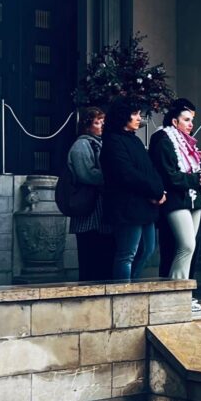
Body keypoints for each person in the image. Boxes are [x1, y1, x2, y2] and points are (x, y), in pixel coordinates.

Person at [149, 98, 201, 312]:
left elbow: (192, 171)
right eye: (186, 120)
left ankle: (182, 293)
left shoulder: (187, 141)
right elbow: (170, 175)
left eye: (192, 120)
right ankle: (174, 295)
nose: (191, 124)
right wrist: (196, 179)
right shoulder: (162, 138)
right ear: (174, 121)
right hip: (175, 200)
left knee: (188, 248)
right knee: (186, 246)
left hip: (193, 198)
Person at [100, 99, 166, 281]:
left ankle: (132, 287)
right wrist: (154, 191)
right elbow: (126, 173)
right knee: (127, 253)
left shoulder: (134, 140)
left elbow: (149, 169)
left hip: (145, 204)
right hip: (127, 206)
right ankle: (122, 294)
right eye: (135, 114)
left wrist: (160, 191)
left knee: (147, 249)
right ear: (123, 116)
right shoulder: (113, 141)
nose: (139, 118)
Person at [67, 106, 114, 282]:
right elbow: (86, 173)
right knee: (89, 258)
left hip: (101, 211)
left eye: (103, 122)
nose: (101, 126)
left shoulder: (101, 143)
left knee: (104, 259)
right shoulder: (82, 145)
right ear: (87, 126)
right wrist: (111, 177)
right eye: (97, 122)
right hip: (88, 210)